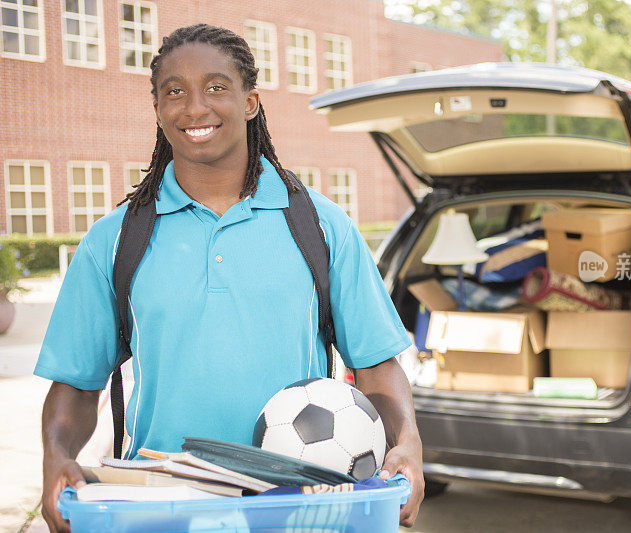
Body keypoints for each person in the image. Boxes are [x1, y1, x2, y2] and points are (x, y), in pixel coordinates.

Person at [35, 24, 424, 532]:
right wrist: (56, 455)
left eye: (216, 88)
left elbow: (376, 367)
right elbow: (76, 385)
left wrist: (409, 444)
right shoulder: (114, 240)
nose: (195, 108)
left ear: (250, 102)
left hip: (298, 509)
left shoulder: (321, 226)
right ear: (157, 111)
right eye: (175, 92)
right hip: (160, 507)